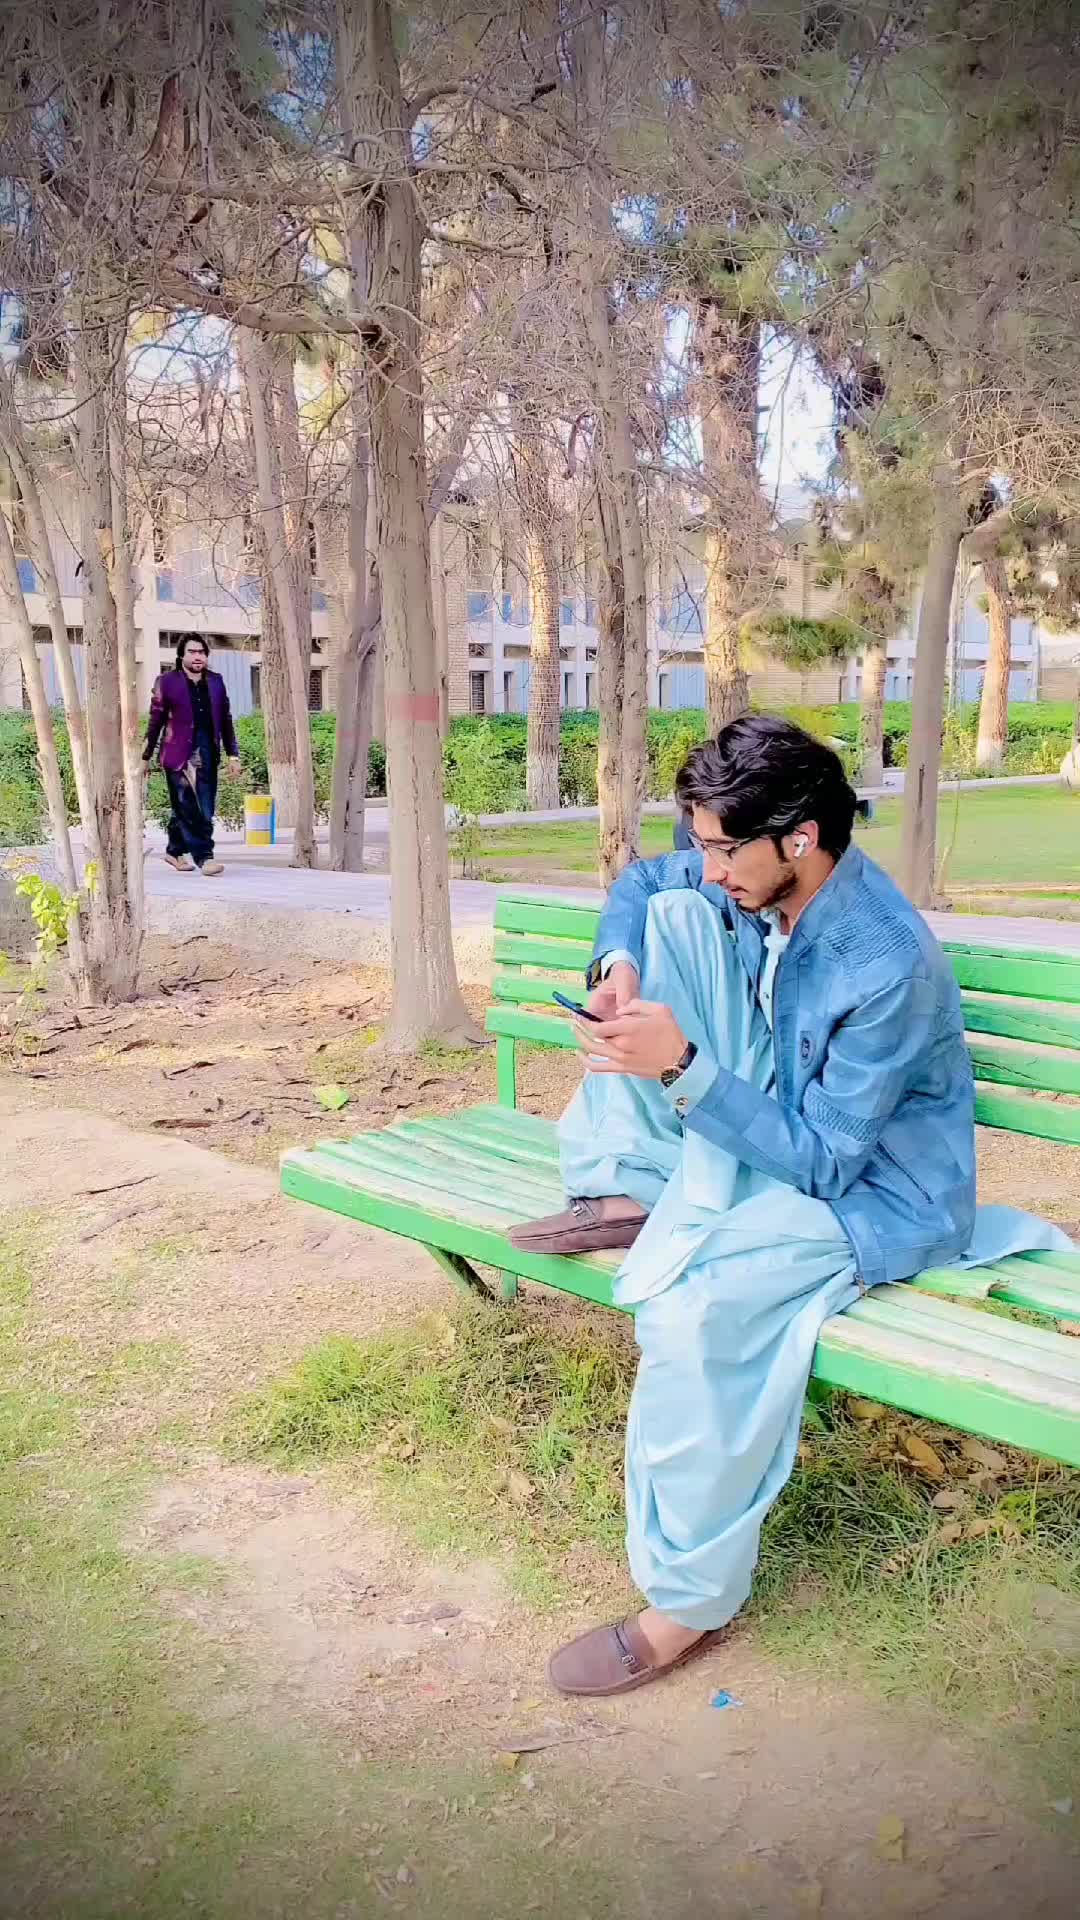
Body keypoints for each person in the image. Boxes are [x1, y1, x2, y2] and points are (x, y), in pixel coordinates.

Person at [510, 714, 1070, 1699]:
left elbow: (826, 1163)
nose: (710, 868)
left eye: (724, 851)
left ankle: (689, 1603)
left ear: (801, 839)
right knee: (669, 921)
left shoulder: (883, 962)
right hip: (780, 1117)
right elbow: (642, 886)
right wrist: (616, 973)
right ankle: (633, 1186)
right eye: (703, 844)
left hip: (874, 1192)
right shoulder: (751, 871)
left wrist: (682, 1068)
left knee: (694, 1314)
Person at [143, 637, 240, 876]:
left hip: (207, 752)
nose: (198, 656)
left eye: (202, 652)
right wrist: (145, 756)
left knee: (200, 807)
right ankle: (205, 857)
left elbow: (226, 720)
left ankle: (174, 851)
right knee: (189, 805)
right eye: (192, 652)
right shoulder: (167, 681)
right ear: (182, 656)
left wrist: (233, 755)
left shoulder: (216, 681)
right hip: (177, 754)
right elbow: (155, 721)